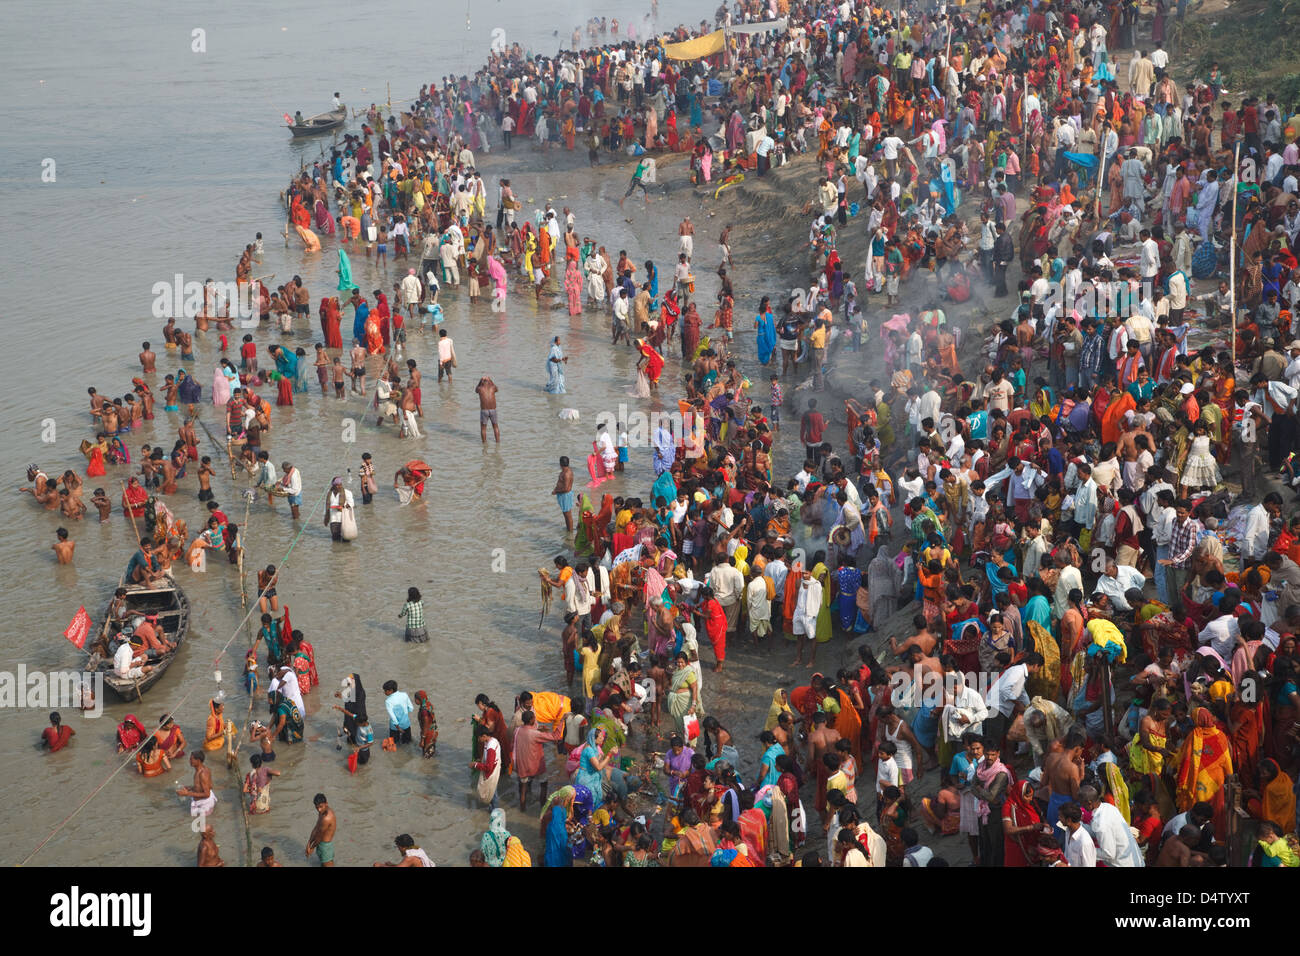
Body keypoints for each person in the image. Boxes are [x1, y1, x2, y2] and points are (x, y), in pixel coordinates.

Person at [306, 793, 337, 866]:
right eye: (317, 807)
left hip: (325, 847)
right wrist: (309, 843)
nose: (319, 810)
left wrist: (311, 848)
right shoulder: (322, 812)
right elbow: (316, 827)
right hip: (320, 844)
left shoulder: (327, 818)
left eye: (321, 807)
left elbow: (319, 837)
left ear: (326, 803)